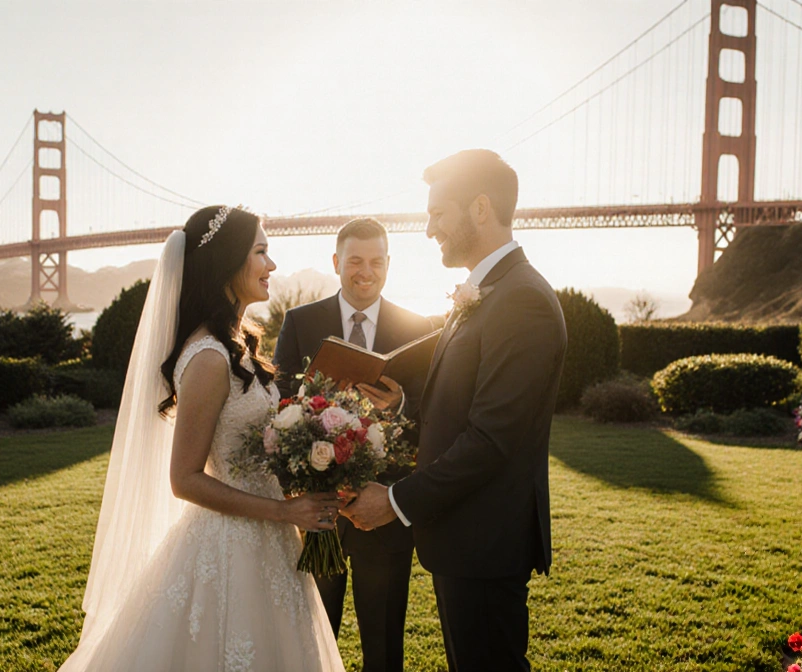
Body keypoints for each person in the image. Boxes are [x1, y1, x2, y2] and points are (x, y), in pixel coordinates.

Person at [58, 205, 346, 672]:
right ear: (227, 262)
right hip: (233, 548)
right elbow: (185, 479)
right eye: (261, 252)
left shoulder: (239, 346)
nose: (271, 265)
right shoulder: (210, 357)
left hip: (272, 541)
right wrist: (281, 510)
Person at [343, 150, 567, 672]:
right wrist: (401, 407)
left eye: (438, 214)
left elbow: (491, 440)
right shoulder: (490, 290)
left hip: (486, 543)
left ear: (480, 209)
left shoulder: (521, 300)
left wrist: (395, 501)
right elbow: (465, 408)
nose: (428, 230)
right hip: (465, 538)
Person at [272, 217, 434, 672]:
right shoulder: (301, 322)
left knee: (384, 645)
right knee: (313, 642)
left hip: (384, 510)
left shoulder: (417, 326)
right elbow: (279, 403)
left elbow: (432, 413)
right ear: (336, 262)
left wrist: (400, 403)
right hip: (318, 511)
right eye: (355, 261)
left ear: (389, 264)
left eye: (377, 261)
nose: (366, 271)